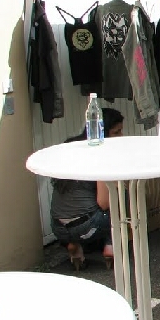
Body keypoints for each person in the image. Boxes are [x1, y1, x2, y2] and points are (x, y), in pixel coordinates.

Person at [50, 107, 125, 271]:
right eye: (116, 132)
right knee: (116, 198)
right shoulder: (100, 155)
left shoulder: (70, 146)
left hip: (57, 227)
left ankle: (74, 248)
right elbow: (104, 203)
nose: (121, 137)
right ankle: (110, 247)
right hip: (86, 227)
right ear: (101, 132)